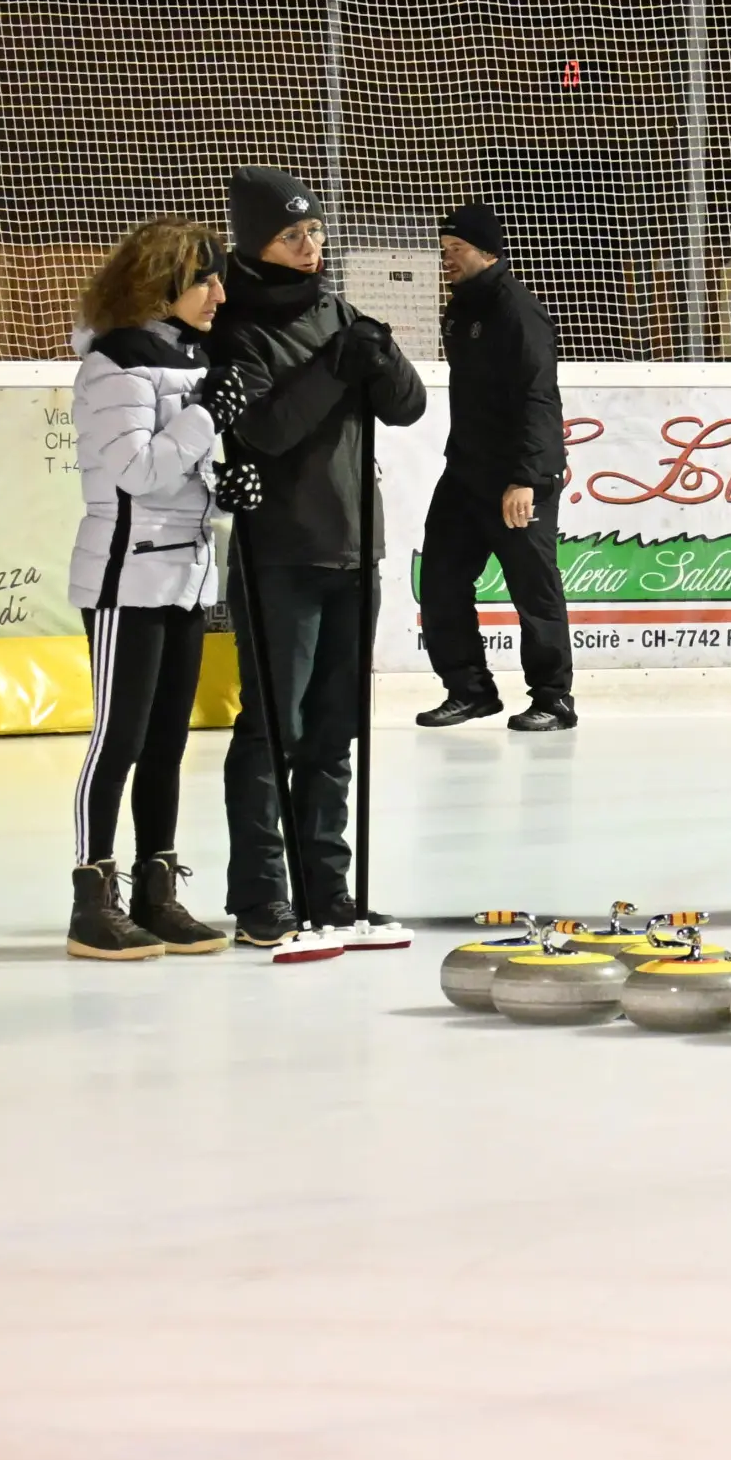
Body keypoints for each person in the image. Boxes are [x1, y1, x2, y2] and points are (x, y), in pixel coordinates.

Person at [209, 167, 429, 947]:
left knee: (336, 730)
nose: (311, 246)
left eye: (314, 230)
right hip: (280, 553)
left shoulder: (339, 311)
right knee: (274, 727)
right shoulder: (236, 326)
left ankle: (327, 887)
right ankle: (262, 893)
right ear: (256, 245)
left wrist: (381, 356)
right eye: (292, 235)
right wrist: (334, 365)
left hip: (351, 551)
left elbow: (406, 406)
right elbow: (262, 431)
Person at [63, 217, 238, 960]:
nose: (218, 294)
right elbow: (135, 473)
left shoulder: (191, 360)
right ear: (162, 283)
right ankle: (91, 896)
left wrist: (231, 488)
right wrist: (207, 417)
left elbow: (184, 473)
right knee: (119, 740)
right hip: (125, 575)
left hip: (186, 577)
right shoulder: (116, 366)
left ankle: (155, 888)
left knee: (168, 741)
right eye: (205, 279)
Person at [417, 202, 574, 731]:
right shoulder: (459, 309)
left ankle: (553, 699)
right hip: (465, 472)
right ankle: (469, 689)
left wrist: (527, 477)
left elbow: (537, 398)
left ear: (487, 251)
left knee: (534, 589)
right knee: (439, 579)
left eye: (456, 251)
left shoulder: (517, 310)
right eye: (444, 252)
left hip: (519, 477)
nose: (448, 261)